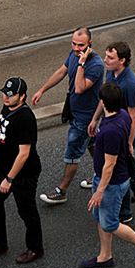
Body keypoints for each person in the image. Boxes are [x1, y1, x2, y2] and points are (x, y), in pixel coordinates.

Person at [80, 83, 135, 268]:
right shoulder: (122, 115)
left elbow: (109, 165)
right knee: (101, 218)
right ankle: (105, 256)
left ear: (104, 102)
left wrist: (99, 191)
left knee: (111, 223)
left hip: (111, 184)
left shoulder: (110, 131)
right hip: (113, 180)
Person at [32, 27, 104, 204]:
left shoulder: (95, 65)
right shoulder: (73, 54)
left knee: (73, 153)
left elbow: (79, 88)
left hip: (85, 117)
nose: (76, 48)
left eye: (81, 45)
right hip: (75, 111)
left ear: (89, 45)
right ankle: (103, 176)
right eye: (73, 43)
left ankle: (61, 191)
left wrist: (81, 63)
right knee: (92, 143)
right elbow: (61, 72)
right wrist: (42, 90)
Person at [0, 77, 44, 264]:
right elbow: (2, 131)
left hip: (23, 172)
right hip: (4, 164)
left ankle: (35, 248)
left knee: (26, 210)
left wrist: (9, 179)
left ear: (22, 96)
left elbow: (24, 154)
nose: (6, 97)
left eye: (11, 94)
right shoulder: (8, 107)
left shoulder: (25, 117)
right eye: (5, 93)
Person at [85, 42, 135, 223]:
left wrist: (128, 143)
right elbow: (104, 98)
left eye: (110, 58)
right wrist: (95, 118)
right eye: (106, 56)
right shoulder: (111, 73)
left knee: (118, 170)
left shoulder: (130, 85)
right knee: (121, 165)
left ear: (122, 60)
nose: (105, 60)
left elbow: (134, 117)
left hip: (125, 132)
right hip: (112, 126)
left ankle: (125, 211)